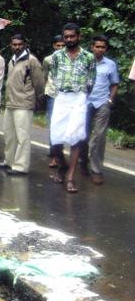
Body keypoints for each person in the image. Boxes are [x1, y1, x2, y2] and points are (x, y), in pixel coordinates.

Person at [49, 23, 96, 193]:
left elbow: (91, 80)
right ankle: (62, 166)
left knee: (75, 138)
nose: (69, 39)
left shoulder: (88, 57)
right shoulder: (57, 56)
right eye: (66, 37)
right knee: (55, 139)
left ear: (79, 37)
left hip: (79, 98)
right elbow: (53, 75)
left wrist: (82, 96)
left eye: (72, 36)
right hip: (62, 97)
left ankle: (70, 178)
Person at [0, 34, 44, 176]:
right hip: (10, 103)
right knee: (9, 134)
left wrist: (39, 101)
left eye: (20, 44)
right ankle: (9, 161)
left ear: (25, 44)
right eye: (14, 44)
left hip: (24, 103)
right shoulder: (11, 60)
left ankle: (20, 166)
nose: (17, 47)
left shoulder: (32, 61)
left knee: (22, 137)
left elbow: (39, 83)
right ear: (11, 45)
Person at [79, 35, 119, 185]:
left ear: (105, 49)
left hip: (103, 103)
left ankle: (96, 170)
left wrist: (110, 100)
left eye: (103, 47)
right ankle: (83, 162)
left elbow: (115, 84)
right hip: (85, 103)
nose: (100, 49)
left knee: (99, 137)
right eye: (97, 46)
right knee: (82, 135)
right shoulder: (84, 62)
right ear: (92, 47)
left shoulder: (110, 65)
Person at [42, 35, 66, 168]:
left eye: (63, 46)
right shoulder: (48, 60)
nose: (60, 48)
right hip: (52, 94)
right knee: (53, 124)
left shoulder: (69, 59)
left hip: (65, 96)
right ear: (54, 46)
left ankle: (58, 152)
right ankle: (54, 153)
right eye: (58, 45)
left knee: (63, 124)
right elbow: (45, 75)